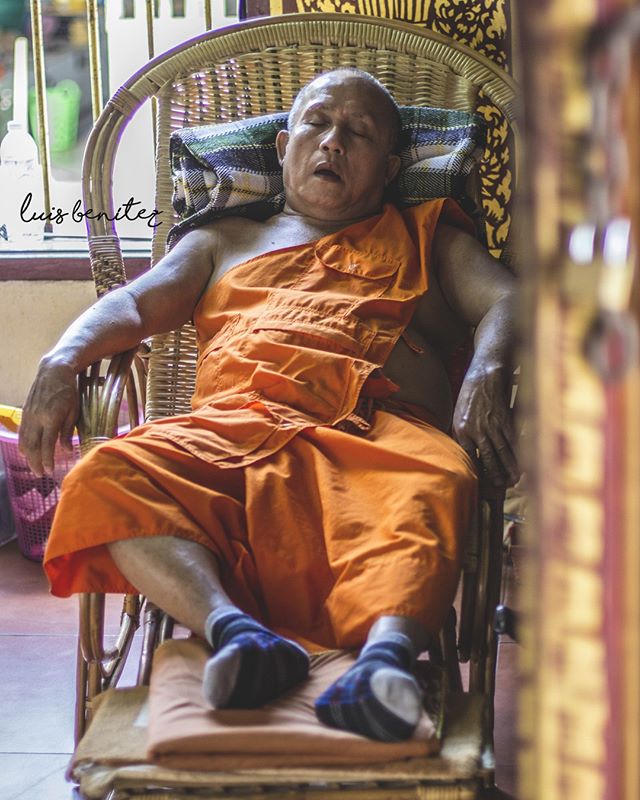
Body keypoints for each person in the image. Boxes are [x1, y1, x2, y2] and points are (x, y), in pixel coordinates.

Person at [19, 68, 518, 744]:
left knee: (437, 480)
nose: (333, 142)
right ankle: (238, 634)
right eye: (316, 124)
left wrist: (487, 368)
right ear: (283, 146)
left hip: (378, 442)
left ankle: (385, 663)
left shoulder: (428, 236)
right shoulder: (220, 241)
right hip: (233, 435)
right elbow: (136, 303)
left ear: (392, 166)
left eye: (359, 133)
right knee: (108, 474)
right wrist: (63, 357)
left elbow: (513, 301)